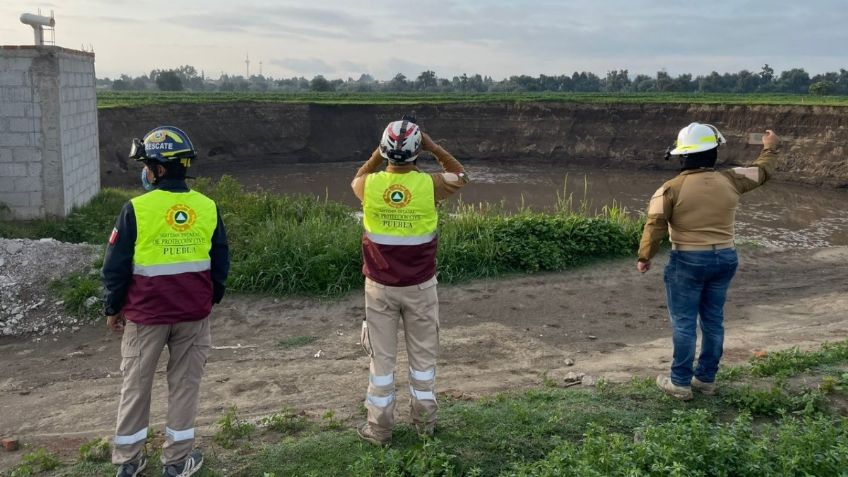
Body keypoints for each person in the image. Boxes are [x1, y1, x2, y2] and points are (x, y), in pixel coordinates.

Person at [102, 126, 229, 477]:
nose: (144, 171)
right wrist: (209, 299)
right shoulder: (207, 206)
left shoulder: (136, 209)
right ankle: (177, 462)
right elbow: (221, 262)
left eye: (146, 165)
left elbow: (114, 267)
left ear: (157, 169)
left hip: (145, 318)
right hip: (193, 315)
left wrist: (113, 308)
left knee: (135, 388)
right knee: (185, 387)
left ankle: (128, 463)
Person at [637, 123, 780, 400]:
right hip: (725, 258)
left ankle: (679, 382)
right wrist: (770, 147)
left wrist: (645, 257)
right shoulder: (732, 179)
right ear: (714, 153)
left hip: (687, 261)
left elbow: (654, 225)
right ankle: (705, 379)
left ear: (682, 156)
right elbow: (762, 171)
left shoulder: (669, 189)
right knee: (713, 321)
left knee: (684, 322)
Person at [351, 117, 469, 445]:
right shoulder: (430, 186)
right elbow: (461, 175)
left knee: (382, 362)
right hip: (420, 287)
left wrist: (378, 152)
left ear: (386, 151)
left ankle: (378, 430)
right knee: (423, 362)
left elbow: (358, 175)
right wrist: (432, 145)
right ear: (418, 152)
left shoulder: (367, 186)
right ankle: (425, 426)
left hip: (379, 290)